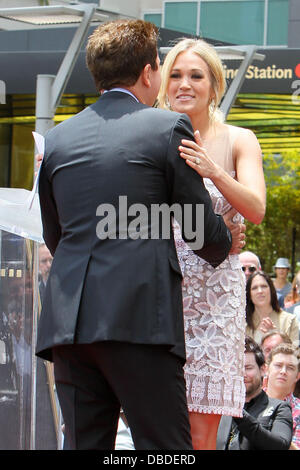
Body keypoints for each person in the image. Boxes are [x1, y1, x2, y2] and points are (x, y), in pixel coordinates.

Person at [35, 19, 239, 450]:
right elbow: (202, 232)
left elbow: (56, 235)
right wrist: (225, 239)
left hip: (70, 324)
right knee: (166, 450)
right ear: (149, 73)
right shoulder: (166, 129)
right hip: (140, 318)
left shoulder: (57, 140)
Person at [157, 38, 266, 449]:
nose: (185, 84)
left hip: (215, 300)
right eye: (176, 75)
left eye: (196, 75)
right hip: (161, 292)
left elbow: (255, 208)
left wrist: (214, 170)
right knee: (159, 430)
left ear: (214, 85)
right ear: (165, 84)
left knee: (201, 434)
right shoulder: (152, 138)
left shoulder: (239, 139)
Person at [216, 337, 293, 450]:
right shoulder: (223, 407)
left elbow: (280, 445)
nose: (243, 374)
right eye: (236, 369)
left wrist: (239, 413)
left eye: (248, 368)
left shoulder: (280, 408)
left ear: (263, 370)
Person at [246, 271, 299, 347]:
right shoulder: (243, 324)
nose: (260, 291)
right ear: (249, 295)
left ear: (271, 290)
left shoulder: (290, 321)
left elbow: (295, 354)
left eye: (264, 286)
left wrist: (275, 337)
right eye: (254, 288)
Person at [265, 343, 300, 449]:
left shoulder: (298, 411)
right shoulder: (248, 400)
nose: (283, 371)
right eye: (278, 365)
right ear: (266, 369)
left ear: (297, 376)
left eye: (290, 368)